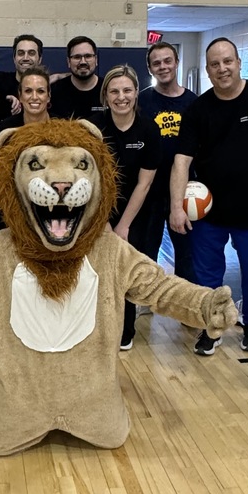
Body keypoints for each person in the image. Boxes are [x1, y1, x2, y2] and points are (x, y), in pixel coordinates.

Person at [170, 37, 248, 355]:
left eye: (228, 61)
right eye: (215, 64)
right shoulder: (198, 110)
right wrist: (176, 207)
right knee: (208, 276)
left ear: (240, 63)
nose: (222, 68)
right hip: (208, 212)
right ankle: (212, 329)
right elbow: (181, 161)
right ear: (207, 70)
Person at [97, 65, 160, 350]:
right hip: (100, 211)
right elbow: (92, 180)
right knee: (102, 271)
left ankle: (126, 329)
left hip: (139, 212)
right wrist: (105, 221)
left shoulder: (149, 128)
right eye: (114, 91)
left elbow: (144, 184)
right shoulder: (95, 130)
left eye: (126, 90)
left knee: (129, 272)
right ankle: (100, 326)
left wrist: (123, 225)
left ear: (136, 93)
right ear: (106, 96)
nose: (121, 97)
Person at [139, 41, 197, 281]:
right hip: (149, 191)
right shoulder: (141, 102)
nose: (163, 67)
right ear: (150, 69)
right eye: (156, 63)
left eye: (167, 61)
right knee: (145, 253)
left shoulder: (194, 102)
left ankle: (186, 305)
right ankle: (144, 303)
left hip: (184, 192)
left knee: (187, 254)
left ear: (176, 63)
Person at [49, 36, 105, 120]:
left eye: (88, 56)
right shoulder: (54, 92)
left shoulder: (107, 89)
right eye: (77, 57)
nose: (83, 62)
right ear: (68, 62)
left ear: (96, 60)